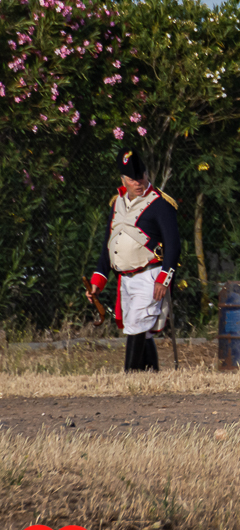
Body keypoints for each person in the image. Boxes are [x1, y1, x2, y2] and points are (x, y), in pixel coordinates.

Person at [87, 148, 180, 372]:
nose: (138, 182)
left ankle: (129, 375)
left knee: (137, 326)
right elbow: (108, 245)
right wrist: (98, 280)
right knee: (141, 329)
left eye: (142, 176)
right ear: (123, 179)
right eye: (132, 178)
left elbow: (174, 246)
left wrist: (163, 279)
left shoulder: (160, 204)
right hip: (125, 279)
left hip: (150, 274)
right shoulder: (116, 204)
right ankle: (151, 374)